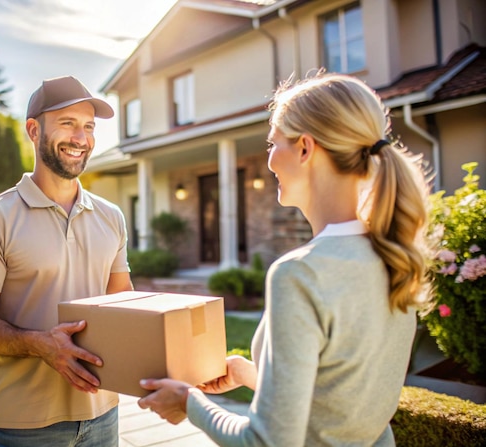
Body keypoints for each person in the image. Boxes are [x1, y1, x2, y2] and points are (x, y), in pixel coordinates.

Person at [138, 72, 432, 446]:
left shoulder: (300, 274)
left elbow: (267, 441)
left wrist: (188, 400)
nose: (270, 159)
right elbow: (340, 400)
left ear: (306, 149)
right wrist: (252, 374)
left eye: (273, 143)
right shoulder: (392, 255)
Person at [0, 75, 133, 447]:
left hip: (104, 414)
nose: (80, 138)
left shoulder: (111, 216)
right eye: (67, 124)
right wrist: (40, 344)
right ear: (34, 130)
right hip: (24, 423)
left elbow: (123, 305)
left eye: (88, 127)